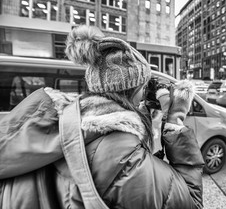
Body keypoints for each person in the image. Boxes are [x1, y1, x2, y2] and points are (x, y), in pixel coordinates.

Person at [0, 25, 204, 208]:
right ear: (135, 93)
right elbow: (191, 202)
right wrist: (175, 120)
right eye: (143, 88)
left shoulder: (58, 119)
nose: (144, 96)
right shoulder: (126, 161)